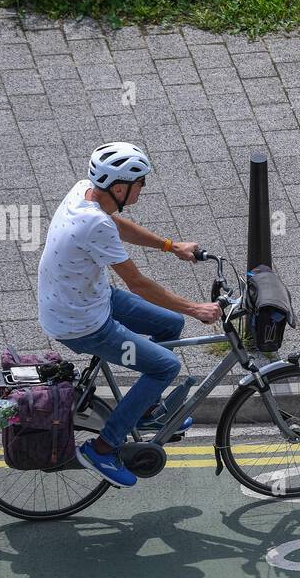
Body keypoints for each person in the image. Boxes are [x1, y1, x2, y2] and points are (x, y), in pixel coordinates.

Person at [37, 142, 222, 488]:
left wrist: (171, 246)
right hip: (82, 324)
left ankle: (145, 408)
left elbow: (117, 225)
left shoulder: (84, 192)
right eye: (140, 183)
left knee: (169, 323)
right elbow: (139, 284)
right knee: (166, 366)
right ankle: (103, 448)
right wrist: (197, 308)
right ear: (119, 188)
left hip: (87, 299)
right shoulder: (94, 225)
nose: (143, 188)